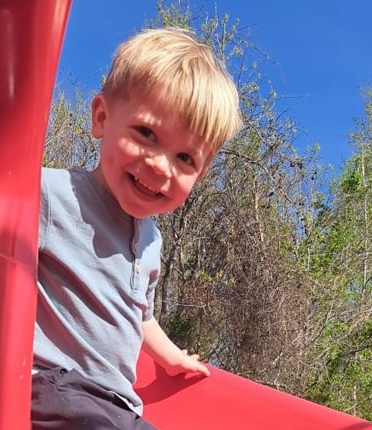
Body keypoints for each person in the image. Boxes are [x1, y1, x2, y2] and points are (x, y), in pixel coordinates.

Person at [31, 27, 242, 430]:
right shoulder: (50, 194)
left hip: (115, 406)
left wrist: (171, 357)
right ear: (102, 117)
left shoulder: (151, 242)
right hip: (51, 387)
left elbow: (139, 315)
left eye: (185, 158)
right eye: (147, 133)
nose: (161, 166)